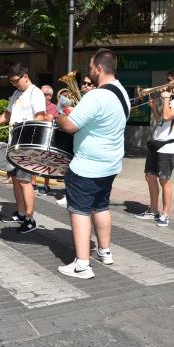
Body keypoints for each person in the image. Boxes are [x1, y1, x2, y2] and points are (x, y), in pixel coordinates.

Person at [56, 48, 130, 279]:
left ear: (99, 69)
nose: (88, 72)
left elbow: (69, 126)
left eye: (90, 68)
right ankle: (105, 252)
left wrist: (59, 114)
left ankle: (82, 265)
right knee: (101, 206)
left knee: (79, 211)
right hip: (110, 164)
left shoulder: (96, 96)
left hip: (87, 166)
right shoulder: (121, 92)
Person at [0, 63, 46, 234]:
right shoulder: (16, 93)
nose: (15, 85)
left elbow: (40, 117)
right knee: (15, 179)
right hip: (14, 143)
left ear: (25, 76)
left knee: (25, 181)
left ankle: (30, 219)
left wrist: (24, 126)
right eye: (12, 82)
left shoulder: (35, 93)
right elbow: (7, 114)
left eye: (16, 81)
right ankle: (21, 213)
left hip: (26, 145)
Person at [134, 69, 174, 227]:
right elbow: (161, 119)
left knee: (164, 181)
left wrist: (165, 99)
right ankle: (153, 210)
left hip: (169, 146)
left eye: (169, 80)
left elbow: (167, 116)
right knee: (149, 177)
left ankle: (165, 215)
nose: (166, 83)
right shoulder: (173, 99)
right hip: (157, 143)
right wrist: (153, 107)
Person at [55, 76, 95, 206]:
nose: (84, 86)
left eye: (88, 84)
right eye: (83, 83)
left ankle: (78, 196)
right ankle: (70, 193)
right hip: (76, 138)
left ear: (95, 86)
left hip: (87, 141)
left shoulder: (93, 101)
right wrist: (65, 104)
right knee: (71, 167)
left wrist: (74, 111)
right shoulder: (82, 99)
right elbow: (61, 112)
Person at [36, 85, 59, 197]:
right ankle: (33, 184)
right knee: (33, 159)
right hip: (36, 135)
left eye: (44, 94)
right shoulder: (36, 106)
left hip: (48, 137)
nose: (41, 96)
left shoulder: (54, 107)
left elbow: (49, 118)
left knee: (47, 162)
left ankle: (46, 185)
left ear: (49, 96)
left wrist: (39, 117)